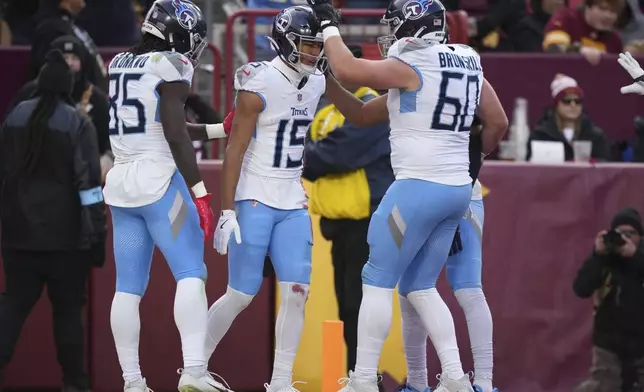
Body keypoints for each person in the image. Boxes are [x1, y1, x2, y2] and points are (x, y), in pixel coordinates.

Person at [305, 0, 508, 390]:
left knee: (376, 278)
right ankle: (455, 378)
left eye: (396, 27)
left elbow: (350, 68)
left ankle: (363, 379)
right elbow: (364, 115)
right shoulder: (463, 61)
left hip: (417, 187)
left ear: (414, 28)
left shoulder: (416, 64)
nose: (391, 36)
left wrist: (329, 26)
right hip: (456, 191)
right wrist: (327, 78)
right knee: (420, 287)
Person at [102, 1, 229, 391]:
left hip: (123, 184)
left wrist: (217, 130)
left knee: (127, 287)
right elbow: (173, 132)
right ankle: (193, 371)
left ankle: (133, 381)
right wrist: (200, 192)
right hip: (159, 181)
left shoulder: (120, 63)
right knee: (192, 271)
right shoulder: (172, 64)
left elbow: (164, 122)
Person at [205, 6, 329, 391]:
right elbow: (234, 150)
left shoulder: (318, 81)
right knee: (240, 294)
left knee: (297, 292)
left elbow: (353, 104)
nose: (313, 54)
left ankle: (280, 382)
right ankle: (194, 366)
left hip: (292, 198)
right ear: (286, 42)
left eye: (317, 46)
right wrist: (227, 210)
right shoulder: (260, 82)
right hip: (255, 194)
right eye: (307, 46)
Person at [0, 49, 106, 392]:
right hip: (67, 242)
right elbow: (89, 185)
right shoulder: (78, 123)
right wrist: (97, 237)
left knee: (12, 308)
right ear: (69, 88)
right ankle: (75, 385)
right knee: (67, 315)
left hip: (17, 237)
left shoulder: (15, 116)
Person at [302, 44, 394, 385]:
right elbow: (316, 153)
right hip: (338, 221)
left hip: (366, 219)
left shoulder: (373, 106)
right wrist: (314, 155)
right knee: (346, 306)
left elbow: (332, 155)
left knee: (359, 302)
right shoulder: (326, 111)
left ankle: (365, 376)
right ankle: (357, 374)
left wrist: (312, 155)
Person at [397, 120, 499, 392]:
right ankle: (419, 382)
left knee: (464, 288)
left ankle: (481, 383)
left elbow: (496, 122)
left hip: (446, 194)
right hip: (418, 194)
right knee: (408, 291)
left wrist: (457, 203)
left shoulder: (436, 81)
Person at [7, 35, 113, 182]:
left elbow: (112, 136)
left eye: (74, 58)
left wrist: (108, 157)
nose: (69, 63)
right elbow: (8, 135)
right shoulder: (28, 95)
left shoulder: (97, 99)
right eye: (64, 57)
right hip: (35, 177)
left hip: (85, 176)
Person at [572, 208, 644, 392]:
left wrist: (634, 256)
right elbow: (581, 289)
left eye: (631, 233)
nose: (625, 238)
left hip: (641, 343)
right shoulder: (605, 261)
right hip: (609, 343)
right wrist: (598, 255)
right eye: (620, 233)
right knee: (604, 386)